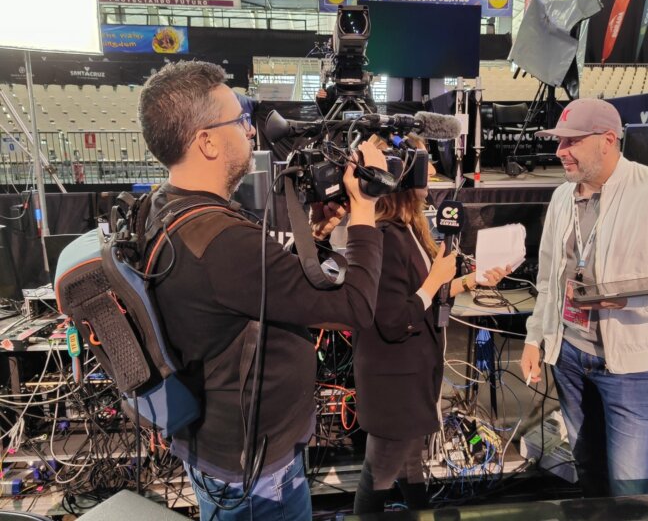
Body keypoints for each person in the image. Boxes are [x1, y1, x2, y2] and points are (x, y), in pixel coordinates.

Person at [137, 61, 387, 520]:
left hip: (220, 452)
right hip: (257, 478)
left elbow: (248, 290)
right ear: (206, 141)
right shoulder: (225, 243)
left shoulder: (165, 206)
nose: (250, 131)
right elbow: (355, 308)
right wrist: (365, 208)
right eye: (239, 119)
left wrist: (312, 238)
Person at [519, 98, 648, 497]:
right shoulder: (562, 197)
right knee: (588, 472)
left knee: (629, 487)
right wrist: (534, 337)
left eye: (571, 141)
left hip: (630, 368)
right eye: (558, 142)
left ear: (607, 140)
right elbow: (549, 279)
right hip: (569, 357)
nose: (560, 152)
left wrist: (630, 301)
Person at [352, 134, 511, 514]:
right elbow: (392, 321)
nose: (434, 174)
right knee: (380, 473)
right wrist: (434, 280)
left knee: (410, 465)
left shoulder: (409, 229)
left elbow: (424, 297)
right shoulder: (386, 237)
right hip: (394, 386)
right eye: (425, 165)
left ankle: (420, 512)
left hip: (413, 379)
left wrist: (470, 281)